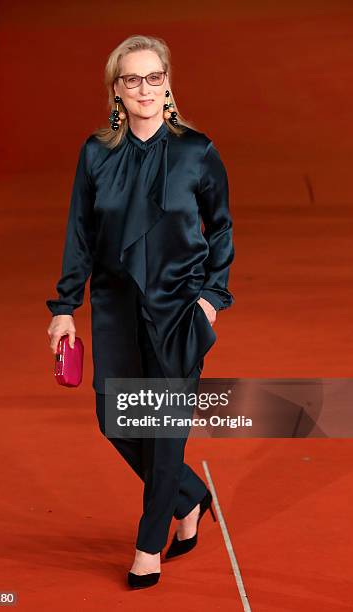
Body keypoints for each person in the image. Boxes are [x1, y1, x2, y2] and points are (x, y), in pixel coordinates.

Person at [46, 34, 235, 589]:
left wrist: (210, 297)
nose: (145, 88)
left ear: (168, 83)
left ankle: (148, 545)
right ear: (116, 90)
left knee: (163, 428)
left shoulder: (196, 151)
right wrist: (64, 307)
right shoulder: (95, 153)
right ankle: (190, 495)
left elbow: (220, 227)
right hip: (113, 306)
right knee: (116, 419)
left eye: (155, 77)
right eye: (133, 79)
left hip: (179, 307)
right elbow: (79, 233)